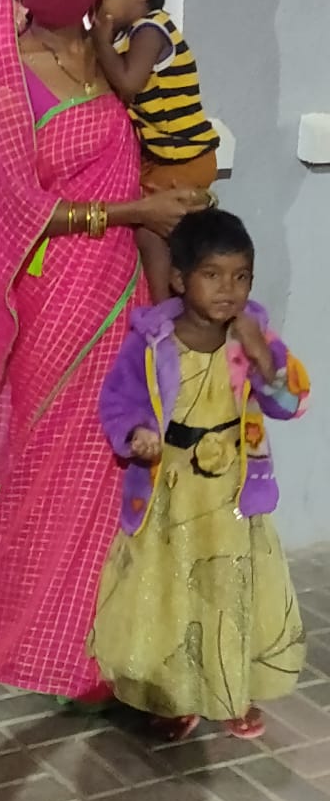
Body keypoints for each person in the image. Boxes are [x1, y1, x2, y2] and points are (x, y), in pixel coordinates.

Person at [0, 0, 208, 703]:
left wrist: (167, 215)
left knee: (135, 469)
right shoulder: (12, 78)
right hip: (58, 305)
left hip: (134, 288)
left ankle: (128, 657)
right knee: (65, 476)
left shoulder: (114, 51)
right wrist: (135, 214)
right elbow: (18, 209)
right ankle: (60, 657)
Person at [88, 209, 309, 741]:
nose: (228, 290)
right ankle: (176, 693)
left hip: (233, 492)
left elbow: (289, 404)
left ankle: (232, 692)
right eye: (212, 275)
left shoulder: (252, 337)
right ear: (181, 280)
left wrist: (267, 363)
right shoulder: (152, 341)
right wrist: (136, 433)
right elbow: (117, 402)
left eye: (241, 277)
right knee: (173, 593)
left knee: (230, 589)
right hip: (172, 493)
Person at [93, 0, 220, 302]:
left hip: (187, 157)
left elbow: (129, 84)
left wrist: (100, 40)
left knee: (150, 232)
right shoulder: (129, 34)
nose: (95, 9)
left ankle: (163, 307)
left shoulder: (151, 30)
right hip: (165, 158)